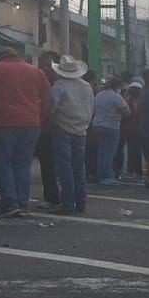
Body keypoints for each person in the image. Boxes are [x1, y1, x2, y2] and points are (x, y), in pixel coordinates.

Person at [0, 46, 54, 218]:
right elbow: (49, 100)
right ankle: (22, 202)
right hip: (31, 123)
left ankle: (9, 202)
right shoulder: (36, 72)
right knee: (22, 164)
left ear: (0, 57)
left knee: (2, 163)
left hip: (2, 122)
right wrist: (39, 119)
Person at [49, 54, 94, 214]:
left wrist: (49, 118)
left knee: (65, 167)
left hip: (62, 128)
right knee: (78, 167)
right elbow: (91, 108)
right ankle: (81, 202)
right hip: (81, 130)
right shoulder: (86, 86)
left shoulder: (58, 86)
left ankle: (68, 202)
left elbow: (52, 106)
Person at [90, 76, 130, 186]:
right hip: (111, 126)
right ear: (117, 86)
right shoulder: (116, 97)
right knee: (109, 152)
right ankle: (107, 175)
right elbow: (126, 112)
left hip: (97, 124)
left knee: (101, 151)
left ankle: (100, 173)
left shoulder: (99, 95)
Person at [35, 50, 62, 207]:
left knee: (52, 165)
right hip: (40, 128)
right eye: (42, 65)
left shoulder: (58, 86)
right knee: (47, 165)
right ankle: (52, 196)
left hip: (54, 129)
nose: (45, 69)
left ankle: (55, 197)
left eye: (48, 65)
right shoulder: (38, 82)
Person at [120, 78, 143, 181]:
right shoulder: (127, 100)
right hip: (130, 129)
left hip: (136, 129)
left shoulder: (139, 101)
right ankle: (132, 170)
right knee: (132, 150)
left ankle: (137, 171)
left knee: (135, 151)